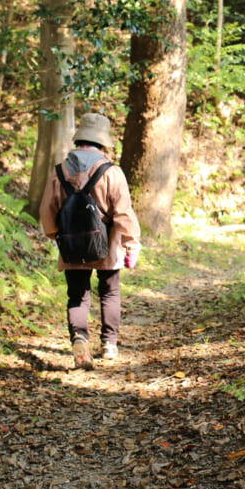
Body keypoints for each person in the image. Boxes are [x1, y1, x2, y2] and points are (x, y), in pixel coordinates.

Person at [39, 112, 141, 370]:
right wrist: (132, 241)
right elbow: (123, 212)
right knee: (110, 292)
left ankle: (80, 340)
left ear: (80, 139)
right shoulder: (112, 171)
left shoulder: (59, 170)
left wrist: (55, 236)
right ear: (102, 142)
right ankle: (109, 343)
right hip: (108, 242)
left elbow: (47, 209)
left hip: (72, 243)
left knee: (77, 295)